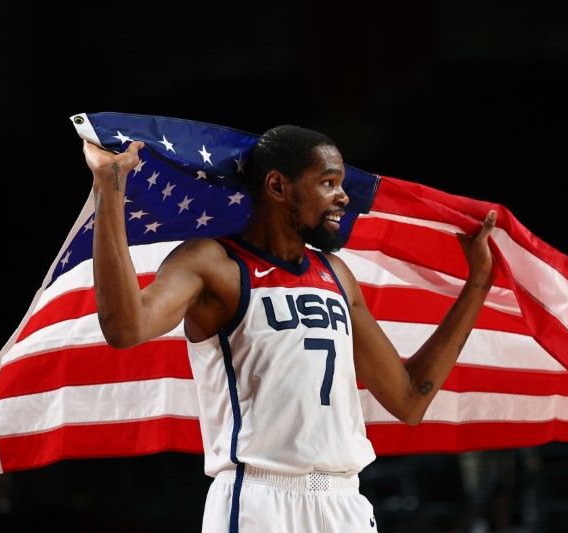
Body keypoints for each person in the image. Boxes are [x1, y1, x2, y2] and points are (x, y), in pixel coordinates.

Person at [83, 125, 497, 532]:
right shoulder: (213, 264)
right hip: (259, 498)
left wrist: (478, 282)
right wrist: (110, 188)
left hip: (345, 503)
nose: (343, 196)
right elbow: (125, 328)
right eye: (328, 182)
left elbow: (409, 400)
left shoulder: (337, 275)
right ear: (278, 187)